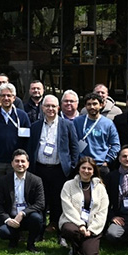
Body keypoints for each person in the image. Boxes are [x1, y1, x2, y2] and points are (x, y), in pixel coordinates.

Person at [27, 94, 79, 241]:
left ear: (58, 107)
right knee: (40, 201)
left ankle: (60, 233)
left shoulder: (67, 125)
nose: (50, 109)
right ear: (42, 108)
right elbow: (30, 147)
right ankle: (39, 232)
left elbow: (74, 148)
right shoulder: (35, 126)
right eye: (47, 106)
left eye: (53, 106)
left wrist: (71, 167)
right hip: (40, 169)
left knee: (59, 202)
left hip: (59, 170)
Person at [0, 83, 31, 202]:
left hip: (15, 163)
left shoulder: (22, 116)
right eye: (3, 95)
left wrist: (22, 159)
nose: (6, 98)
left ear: (14, 98)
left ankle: (13, 215)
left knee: (15, 195)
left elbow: (28, 139)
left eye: (9, 95)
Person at [0, 149, 45, 253]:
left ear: (28, 164)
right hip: (11, 217)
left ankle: (30, 244)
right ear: (12, 164)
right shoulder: (4, 180)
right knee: (3, 232)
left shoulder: (36, 180)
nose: (20, 164)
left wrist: (22, 213)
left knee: (37, 219)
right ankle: (14, 239)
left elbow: (40, 203)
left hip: (28, 217)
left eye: (23, 161)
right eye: (17, 161)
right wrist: (7, 219)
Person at [59, 156, 109, 255]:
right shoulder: (68, 185)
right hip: (73, 222)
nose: (86, 171)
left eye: (89, 169)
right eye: (83, 168)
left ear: (94, 171)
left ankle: (80, 246)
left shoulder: (100, 188)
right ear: (78, 169)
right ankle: (74, 244)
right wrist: (80, 224)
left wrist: (91, 229)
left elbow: (102, 212)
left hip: (92, 225)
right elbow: (67, 208)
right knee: (69, 230)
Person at [73, 93, 120, 177]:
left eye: (95, 104)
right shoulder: (77, 121)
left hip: (100, 165)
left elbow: (115, 145)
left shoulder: (108, 123)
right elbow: (71, 142)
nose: (92, 107)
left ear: (101, 105)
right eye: (89, 104)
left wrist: (107, 161)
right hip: (82, 165)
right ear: (85, 106)